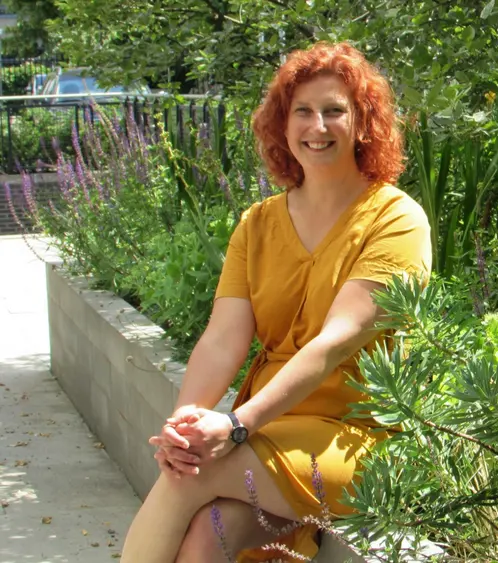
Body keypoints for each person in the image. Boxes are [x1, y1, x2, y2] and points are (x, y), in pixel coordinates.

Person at [121, 41, 431, 562]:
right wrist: (182, 428)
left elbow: (334, 344)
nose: (318, 126)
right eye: (302, 111)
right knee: (205, 537)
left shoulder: (396, 220)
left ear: (363, 123)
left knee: (189, 478)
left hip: (353, 437)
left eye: (335, 111)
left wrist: (236, 425)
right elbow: (222, 340)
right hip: (267, 432)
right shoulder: (258, 223)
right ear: (282, 126)